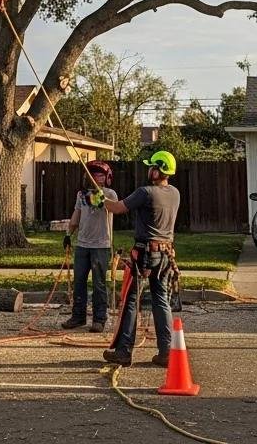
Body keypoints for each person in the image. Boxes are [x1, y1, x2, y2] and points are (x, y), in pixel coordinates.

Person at [99, 150, 179, 368]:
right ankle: (166, 352)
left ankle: (124, 351)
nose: (148, 170)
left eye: (151, 166)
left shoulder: (145, 192)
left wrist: (100, 199)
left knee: (131, 300)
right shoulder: (175, 193)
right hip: (165, 255)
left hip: (145, 254)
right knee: (161, 300)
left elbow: (117, 208)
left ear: (158, 170)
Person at [61, 160, 117, 333]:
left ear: (107, 177)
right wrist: (68, 234)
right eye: (92, 174)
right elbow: (76, 214)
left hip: (101, 245)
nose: (95, 177)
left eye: (100, 174)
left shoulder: (110, 194)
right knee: (79, 282)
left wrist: (102, 199)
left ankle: (99, 319)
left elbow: (114, 208)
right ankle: (78, 316)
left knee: (99, 283)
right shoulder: (81, 195)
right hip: (82, 244)